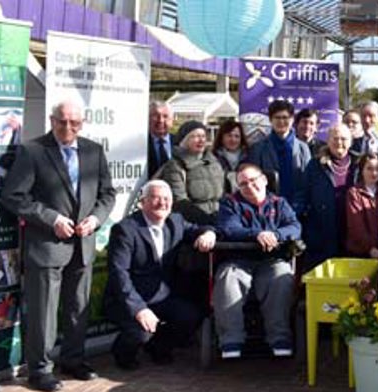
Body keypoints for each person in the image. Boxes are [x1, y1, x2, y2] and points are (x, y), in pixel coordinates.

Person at [1, 100, 116, 392]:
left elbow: (107, 194)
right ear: (52, 120)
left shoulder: (93, 150)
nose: (68, 128)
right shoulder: (33, 151)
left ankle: (74, 360)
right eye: (62, 122)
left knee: (78, 308)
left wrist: (96, 219)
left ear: (82, 123)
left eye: (74, 123)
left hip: (84, 243)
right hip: (48, 244)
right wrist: (51, 219)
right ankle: (39, 370)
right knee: (45, 311)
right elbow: (14, 196)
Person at [104, 180, 214, 370]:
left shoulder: (176, 221)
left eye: (167, 199)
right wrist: (139, 309)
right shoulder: (125, 230)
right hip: (129, 298)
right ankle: (123, 354)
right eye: (156, 198)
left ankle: (159, 347)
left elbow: (198, 229)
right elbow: (119, 274)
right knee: (141, 333)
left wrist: (208, 234)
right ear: (143, 201)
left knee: (190, 317)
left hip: (162, 296)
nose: (162, 203)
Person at [215, 164, 301, 359]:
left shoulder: (279, 203)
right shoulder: (230, 204)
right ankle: (231, 339)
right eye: (243, 184)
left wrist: (276, 235)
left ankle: (279, 337)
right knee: (228, 277)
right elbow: (228, 228)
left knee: (282, 276)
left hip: (271, 260)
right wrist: (257, 234)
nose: (249, 186)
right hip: (239, 260)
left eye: (253, 180)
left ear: (264, 180)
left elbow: (294, 227)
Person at [298, 124, 360, 270]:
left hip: (350, 229)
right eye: (335, 138)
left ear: (350, 142)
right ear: (328, 141)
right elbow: (303, 194)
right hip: (321, 230)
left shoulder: (359, 164)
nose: (339, 142)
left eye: (344, 139)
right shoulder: (315, 164)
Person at [155, 121, 225, 226]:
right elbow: (179, 201)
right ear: (184, 140)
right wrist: (207, 220)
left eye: (203, 136)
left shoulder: (214, 162)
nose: (201, 140)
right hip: (193, 223)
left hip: (220, 219)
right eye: (195, 136)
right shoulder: (175, 165)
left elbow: (224, 194)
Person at [245, 100, 312, 204]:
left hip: (298, 210)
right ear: (271, 120)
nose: (281, 121)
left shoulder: (303, 148)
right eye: (277, 117)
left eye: (285, 117)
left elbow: (308, 182)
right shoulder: (258, 148)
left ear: (292, 120)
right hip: (267, 209)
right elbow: (253, 182)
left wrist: (298, 207)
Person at [346, 153, 378, 258]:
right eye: (369, 169)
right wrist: (370, 248)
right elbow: (356, 225)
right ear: (362, 170)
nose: (374, 173)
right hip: (360, 252)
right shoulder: (354, 193)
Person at [212, 119, 251, 194]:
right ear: (222, 138)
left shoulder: (249, 157)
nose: (233, 139)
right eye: (229, 136)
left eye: (237, 136)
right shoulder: (213, 158)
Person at [147, 101, 176, 179]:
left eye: (165, 116)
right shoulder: (140, 144)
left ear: (172, 120)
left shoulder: (180, 143)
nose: (160, 120)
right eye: (155, 116)